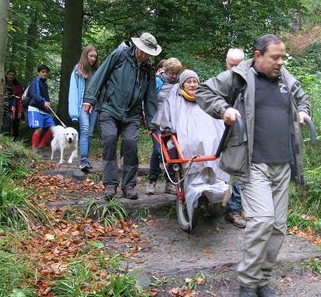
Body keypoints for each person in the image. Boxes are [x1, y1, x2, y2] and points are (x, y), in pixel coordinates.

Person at [196, 34, 311, 297]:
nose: (280, 62)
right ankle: (247, 285)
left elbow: (303, 98)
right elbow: (203, 91)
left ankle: (262, 280)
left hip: (283, 164)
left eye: (283, 57)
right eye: (275, 57)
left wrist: (304, 113)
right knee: (261, 221)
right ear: (258, 55)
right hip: (252, 163)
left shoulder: (285, 78)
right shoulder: (239, 77)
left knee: (278, 227)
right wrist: (224, 110)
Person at [83, 32, 161, 200]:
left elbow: (151, 97)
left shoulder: (148, 69)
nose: (145, 55)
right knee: (110, 139)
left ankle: (129, 186)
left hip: (132, 114)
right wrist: (90, 98)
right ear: (137, 46)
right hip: (110, 109)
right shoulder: (120, 55)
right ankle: (110, 184)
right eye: (143, 50)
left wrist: (152, 122)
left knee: (131, 145)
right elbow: (100, 74)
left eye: (148, 53)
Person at [152, 69, 228, 230]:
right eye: (189, 82)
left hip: (208, 139)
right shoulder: (174, 100)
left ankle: (214, 189)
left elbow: (217, 119)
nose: (193, 84)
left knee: (214, 139)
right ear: (182, 84)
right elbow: (166, 121)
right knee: (192, 142)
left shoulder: (205, 99)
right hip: (184, 141)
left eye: (195, 81)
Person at [147, 57, 182, 195]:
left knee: (173, 152)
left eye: (175, 73)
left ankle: (170, 183)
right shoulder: (157, 81)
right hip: (157, 121)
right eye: (171, 73)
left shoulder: (179, 83)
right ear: (165, 70)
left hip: (173, 123)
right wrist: (149, 122)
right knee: (158, 151)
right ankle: (152, 181)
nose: (173, 76)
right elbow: (149, 101)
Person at [224, 48, 247, 228]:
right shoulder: (222, 81)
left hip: (240, 134)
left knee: (239, 173)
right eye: (231, 65)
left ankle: (234, 209)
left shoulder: (249, 82)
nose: (234, 69)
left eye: (237, 65)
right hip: (221, 132)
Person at [69, 45, 100, 172]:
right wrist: (73, 112)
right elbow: (73, 90)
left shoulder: (97, 71)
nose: (93, 59)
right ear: (85, 55)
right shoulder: (78, 70)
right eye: (91, 56)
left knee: (90, 133)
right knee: (85, 130)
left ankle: (86, 158)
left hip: (94, 105)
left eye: (95, 57)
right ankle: (82, 160)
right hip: (82, 105)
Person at [27, 65, 54, 150]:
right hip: (35, 109)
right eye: (43, 72)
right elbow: (35, 95)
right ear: (38, 73)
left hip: (44, 110)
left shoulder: (44, 84)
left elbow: (46, 97)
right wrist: (44, 102)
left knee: (53, 129)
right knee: (39, 128)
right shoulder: (34, 82)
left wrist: (48, 103)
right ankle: (34, 150)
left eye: (46, 72)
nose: (45, 74)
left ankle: (41, 146)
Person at [6, 70, 23, 141]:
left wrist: (20, 111)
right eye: (10, 74)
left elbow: (19, 99)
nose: (11, 76)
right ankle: (6, 137)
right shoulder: (2, 82)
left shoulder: (17, 85)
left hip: (15, 106)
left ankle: (15, 139)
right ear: (6, 75)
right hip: (4, 105)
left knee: (16, 123)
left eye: (13, 75)